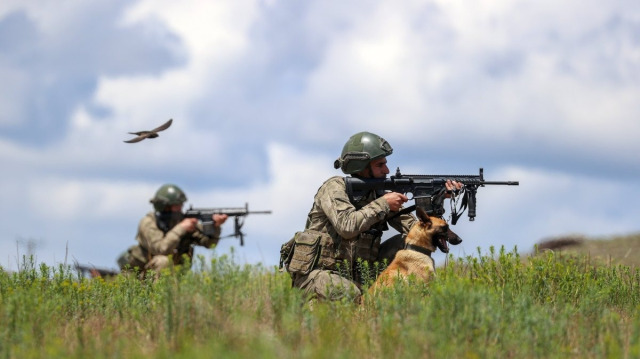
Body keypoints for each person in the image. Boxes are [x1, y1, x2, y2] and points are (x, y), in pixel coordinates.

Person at [284, 131, 461, 302]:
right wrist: (383, 203)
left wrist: (437, 200)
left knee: (405, 242)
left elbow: (418, 232)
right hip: (317, 276)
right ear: (360, 167)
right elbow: (346, 226)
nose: (387, 170)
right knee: (349, 293)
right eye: (380, 165)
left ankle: (420, 293)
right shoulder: (334, 188)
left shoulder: (378, 194)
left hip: (359, 276)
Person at [117, 184, 228, 274]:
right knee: (163, 261)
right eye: (177, 205)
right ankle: (156, 301)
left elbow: (209, 244)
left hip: (172, 275)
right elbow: (161, 249)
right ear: (165, 206)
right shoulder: (148, 223)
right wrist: (181, 228)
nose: (180, 208)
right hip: (140, 276)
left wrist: (215, 226)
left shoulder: (182, 221)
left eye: (181, 205)